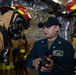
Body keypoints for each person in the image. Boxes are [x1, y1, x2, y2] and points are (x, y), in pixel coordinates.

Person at [0, 5, 32, 75]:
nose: (21, 29)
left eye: (23, 27)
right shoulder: (0, 36)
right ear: (12, 19)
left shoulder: (9, 37)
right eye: (21, 24)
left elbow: (29, 52)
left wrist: (23, 60)